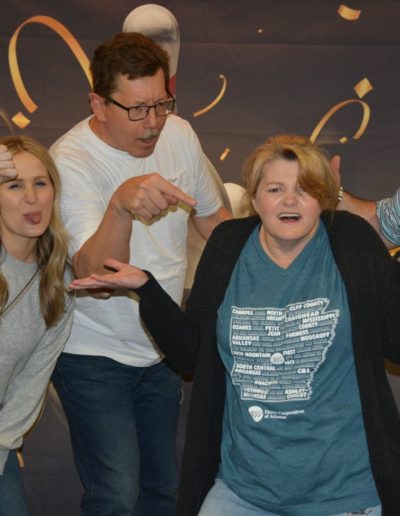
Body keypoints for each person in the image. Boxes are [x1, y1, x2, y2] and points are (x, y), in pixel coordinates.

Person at [70, 135, 400, 516]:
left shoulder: (352, 240)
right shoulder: (228, 245)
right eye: (275, 189)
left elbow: (395, 343)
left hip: (344, 495)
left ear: (321, 199)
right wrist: (147, 288)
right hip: (244, 491)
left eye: (304, 189)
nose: (289, 201)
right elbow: (191, 354)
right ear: (255, 199)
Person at [48, 31, 230, 516]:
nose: (152, 124)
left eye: (161, 104)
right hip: (92, 353)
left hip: (162, 345)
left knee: (162, 490)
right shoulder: (70, 161)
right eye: (136, 109)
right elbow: (95, 277)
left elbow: (215, 222)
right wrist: (120, 206)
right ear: (98, 104)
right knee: (117, 494)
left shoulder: (180, 134)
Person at [0, 136, 74, 515]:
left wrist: (2, 444)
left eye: (40, 183)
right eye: (15, 186)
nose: (32, 198)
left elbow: (31, 382)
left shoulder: (58, 282)